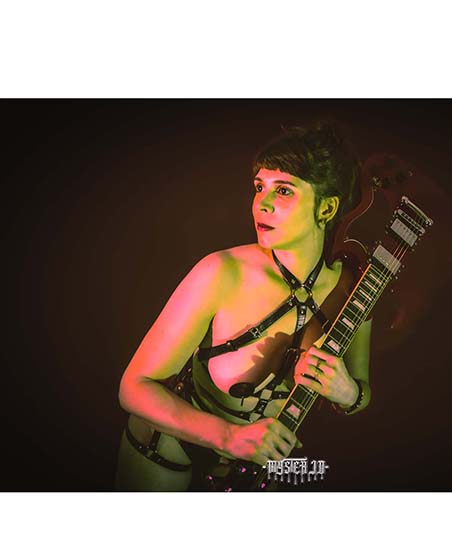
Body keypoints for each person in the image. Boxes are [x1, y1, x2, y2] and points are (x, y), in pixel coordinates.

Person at [115, 121, 373, 491]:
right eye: (259, 187)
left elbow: (362, 394)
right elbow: (133, 388)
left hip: (254, 473)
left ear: (327, 207)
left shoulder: (353, 288)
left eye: (283, 190)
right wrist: (228, 436)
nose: (261, 204)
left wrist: (349, 393)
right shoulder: (222, 271)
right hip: (167, 452)